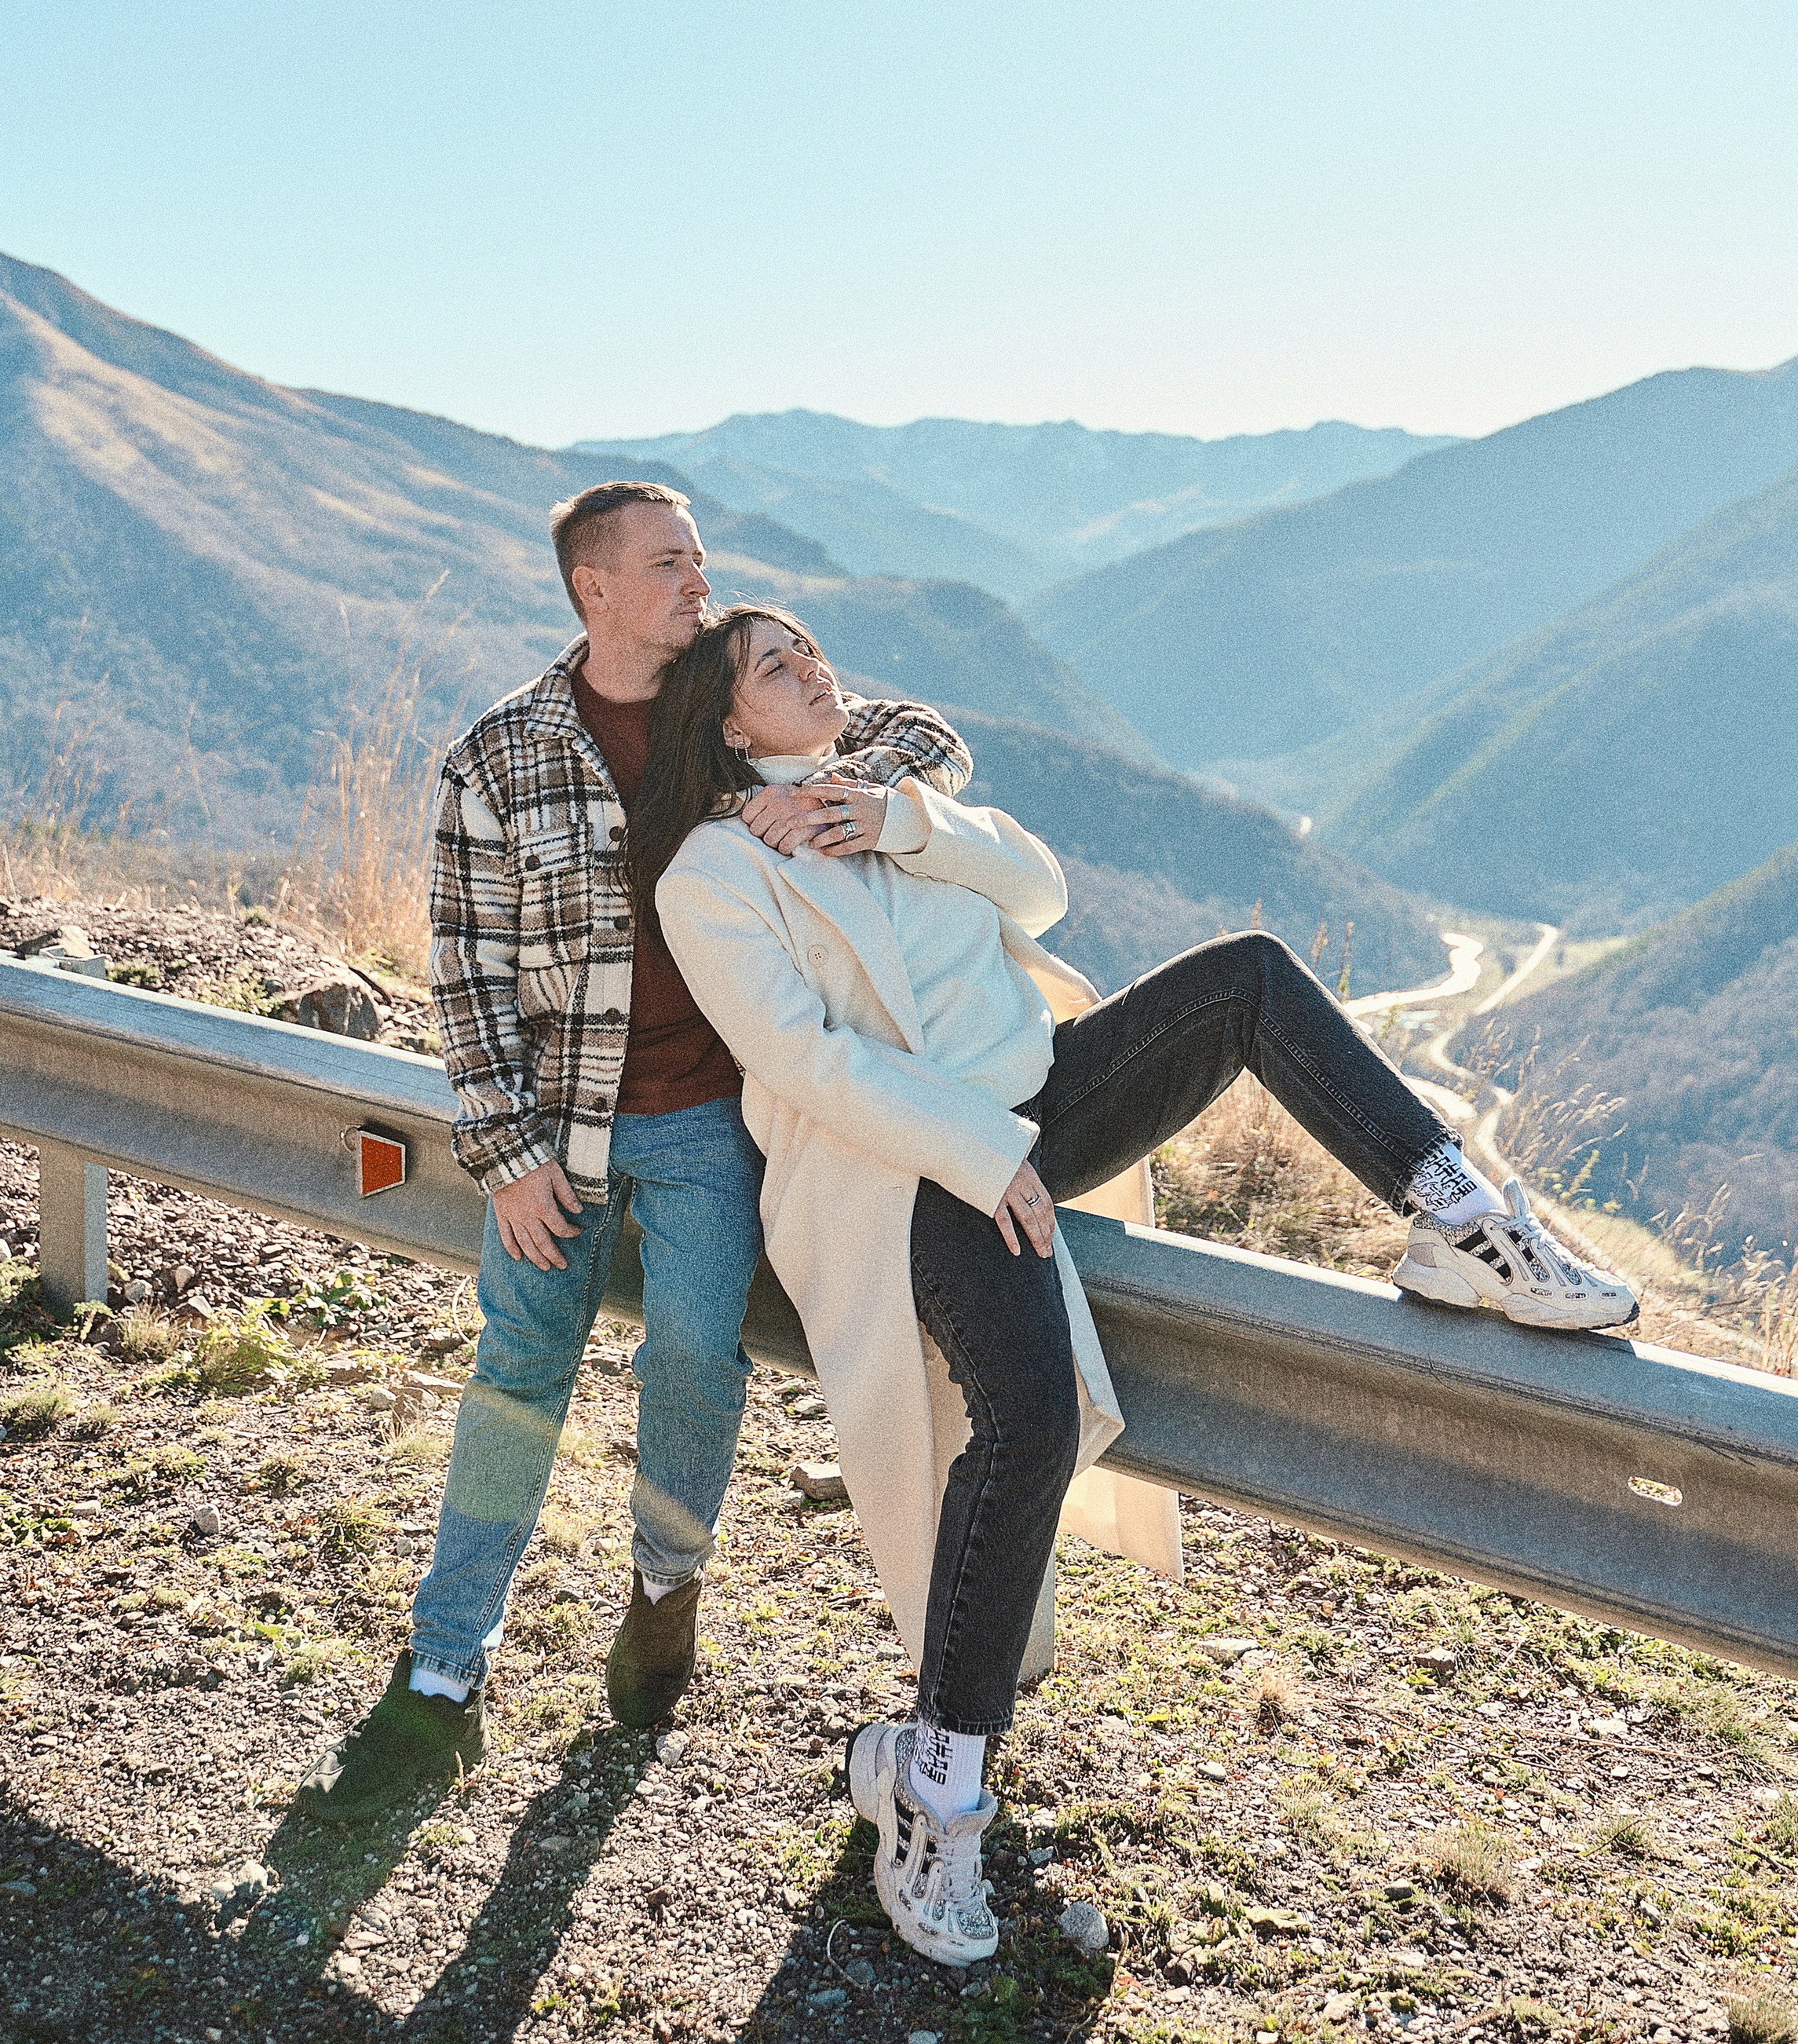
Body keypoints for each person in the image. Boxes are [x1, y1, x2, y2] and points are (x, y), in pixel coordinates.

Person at [634, 605, 1639, 1966]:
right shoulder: (711, 875)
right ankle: (933, 1782)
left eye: (809, 647)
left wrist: (903, 823)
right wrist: (981, 1158)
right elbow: (805, 1065)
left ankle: (1461, 1218)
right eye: (774, 665)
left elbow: (1042, 896)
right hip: (914, 1166)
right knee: (1033, 1421)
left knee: (1247, 981)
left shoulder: (890, 790)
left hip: (1041, 1096)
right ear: (727, 722)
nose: (812, 667)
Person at [297, 488, 970, 1824]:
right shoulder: (500, 754)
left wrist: (847, 797)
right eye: (670, 566)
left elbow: (924, 736)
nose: (699, 587)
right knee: (517, 1376)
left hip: (714, 1124)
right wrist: (504, 1152)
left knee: (696, 1360)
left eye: (702, 563)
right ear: (592, 588)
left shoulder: (722, 712)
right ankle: (446, 1658)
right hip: (554, 1133)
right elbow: (467, 971)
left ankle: (665, 1591)